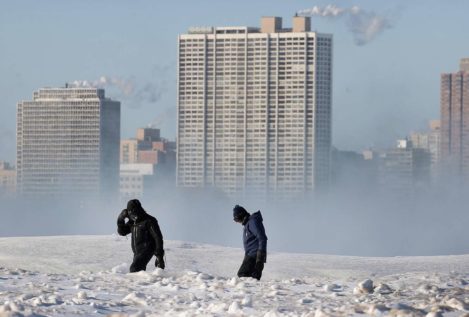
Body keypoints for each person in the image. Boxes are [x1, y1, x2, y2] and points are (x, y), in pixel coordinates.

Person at [117, 199, 165, 272]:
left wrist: (159, 257)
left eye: (135, 211)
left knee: (134, 269)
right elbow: (122, 232)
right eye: (131, 213)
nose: (134, 215)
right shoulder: (133, 222)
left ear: (140, 209)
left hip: (147, 249)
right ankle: (143, 283)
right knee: (138, 271)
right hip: (137, 252)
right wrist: (120, 219)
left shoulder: (149, 220)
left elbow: (158, 237)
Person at [233, 204, 268, 280]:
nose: (237, 222)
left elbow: (262, 238)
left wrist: (260, 259)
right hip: (250, 255)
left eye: (237, 219)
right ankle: (252, 290)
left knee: (243, 274)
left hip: (254, 255)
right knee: (251, 278)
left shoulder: (252, 222)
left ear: (241, 215)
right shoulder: (248, 223)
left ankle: (250, 290)